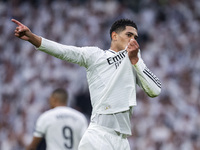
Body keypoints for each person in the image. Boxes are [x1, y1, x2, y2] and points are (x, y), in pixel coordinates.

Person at [12, 18, 161, 150]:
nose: (133, 40)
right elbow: (64, 51)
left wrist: (136, 61)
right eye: (129, 35)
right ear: (114, 36)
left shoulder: (134, 62)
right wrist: (33, 38)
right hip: (100, 135)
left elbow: (155, 90)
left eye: (135, 37)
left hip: (122, 141)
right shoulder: (96, 56)